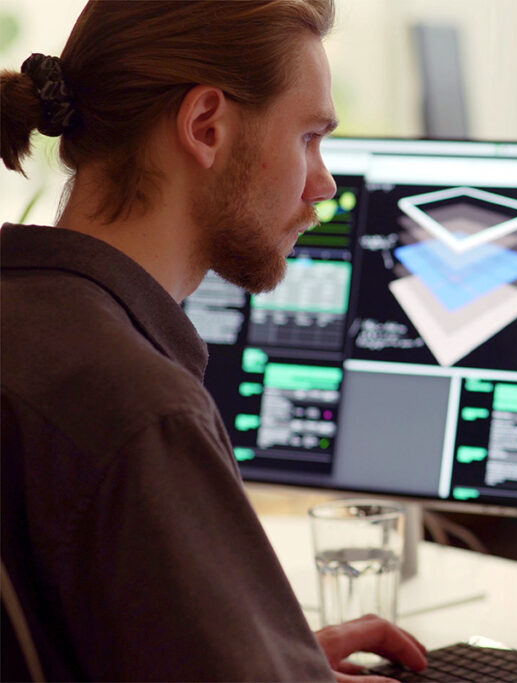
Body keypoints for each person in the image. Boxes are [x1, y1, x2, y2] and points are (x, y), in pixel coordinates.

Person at [0, 1, 428, 680]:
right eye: (308, 138)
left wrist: (266, 654)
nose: (324, 183)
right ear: (206, 127)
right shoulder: (139, 407)